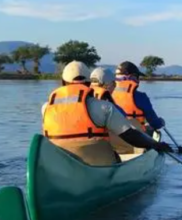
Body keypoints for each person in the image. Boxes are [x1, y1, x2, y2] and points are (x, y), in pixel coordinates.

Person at [41, 61, 172, 166]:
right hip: (98, 162)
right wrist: (156, 145)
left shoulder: (46, 108)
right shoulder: (104, 107)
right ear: (88, 83)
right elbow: (130, 136)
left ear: (63, 83)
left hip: (61, 162)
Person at [110, 61, 167, 154]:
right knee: (150, 128)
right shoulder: (141, 97)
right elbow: (155, 123)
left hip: (113, 140)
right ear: (133, 77)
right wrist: (161, 122)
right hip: (136, 140)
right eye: (138, 77)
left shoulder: (105, 94)